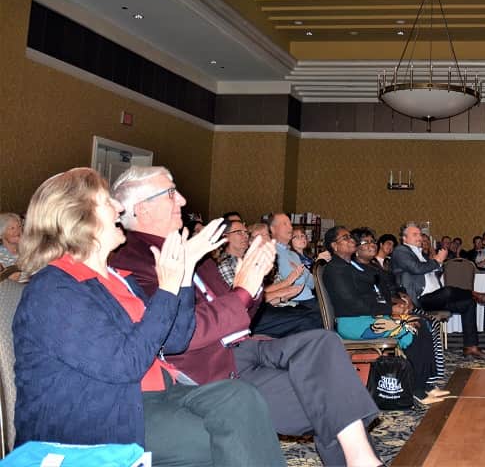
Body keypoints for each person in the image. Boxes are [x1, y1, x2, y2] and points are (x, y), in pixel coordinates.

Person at [109, 165, 383, 467]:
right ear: (142, 209)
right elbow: (179, 334)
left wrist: (251, 287)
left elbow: (239, 315)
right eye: (172, 193)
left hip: (245, 347)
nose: (183, 201)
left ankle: (363, 460)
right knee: (333, 402)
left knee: (325, 344)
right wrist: (243, 290)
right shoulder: (132, 261)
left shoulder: (194, 252)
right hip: (209, 371)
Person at [13, 167, 284, 466]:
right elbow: (124, 364)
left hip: (151, 396)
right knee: (226, 436)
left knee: (240, 397)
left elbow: (176, 337)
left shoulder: (117, 278)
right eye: (107, 201)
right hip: (93, 418)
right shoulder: (55, 288)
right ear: (77, 217)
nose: (119, 207)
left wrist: (183, 272)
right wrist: (168, 288)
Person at [322, 227, 445, 405]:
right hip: (354, 323)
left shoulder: (349, 267)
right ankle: (416, 390)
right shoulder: (335, 269)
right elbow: (351, 303)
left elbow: (372, 295)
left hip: (367, 317)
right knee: (410, 329)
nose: (351, 240)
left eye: (350, 237)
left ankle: (424, 384)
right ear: (334, 245)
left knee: (419, 323)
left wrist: (393, 307)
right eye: (345, 238)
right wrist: (389, 310)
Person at [391, 221, 485, 359]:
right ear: (404, 238)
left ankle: (471, 347)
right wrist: (437, 260)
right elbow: (416, 268)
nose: (419, 237)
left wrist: (437, 264)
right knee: (448, 291)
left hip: (436, 298)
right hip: (419, 299)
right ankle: (473, 293)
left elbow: (433, 272)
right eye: (415, 234)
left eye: (420, 234)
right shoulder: (401, 251)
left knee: (468, 303)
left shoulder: (421, 254)